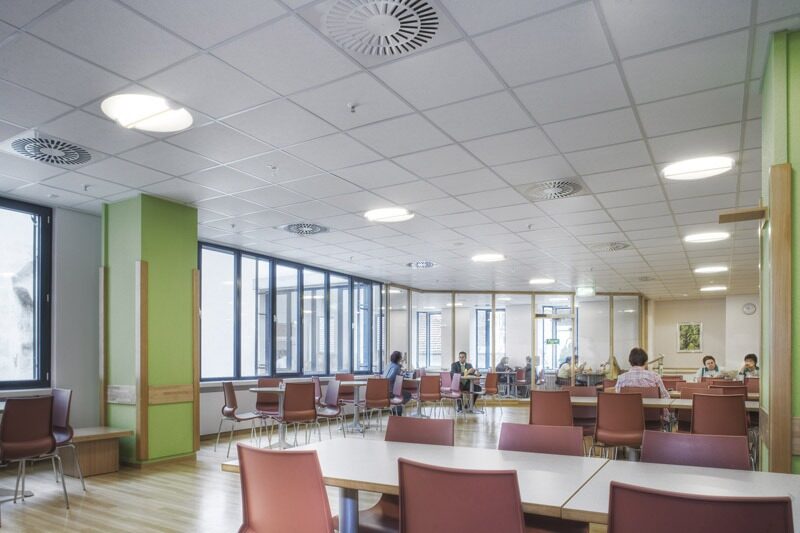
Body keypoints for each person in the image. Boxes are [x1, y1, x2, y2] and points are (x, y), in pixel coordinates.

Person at [383, 351, 410, 415]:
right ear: (399, 358)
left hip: (384, 390)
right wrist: (401, 373)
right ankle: (396, 410)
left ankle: (395, 410)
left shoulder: (388, 365)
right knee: (407, 395)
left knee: (400, 393)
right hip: (391, 391)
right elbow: (393, 378)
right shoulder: (397, 367)